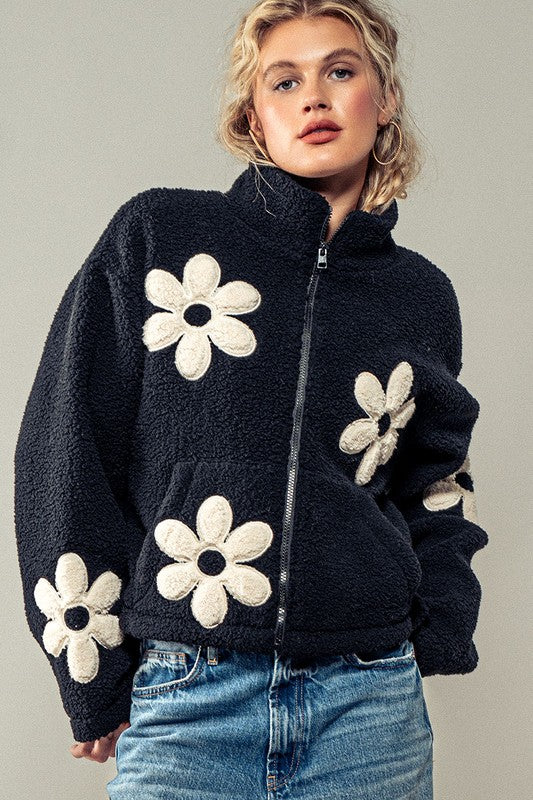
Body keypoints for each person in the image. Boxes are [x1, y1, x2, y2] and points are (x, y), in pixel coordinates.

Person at [14, 1, 489, 797]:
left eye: (340, 71)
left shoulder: (419, 296)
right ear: (252, 116)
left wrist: (440, 626)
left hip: (368, 704)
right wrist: (88, 665)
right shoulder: (159, 236)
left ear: (383, 99)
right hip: (188, 693)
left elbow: (436, 480)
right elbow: (64, 449)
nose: (314, 97)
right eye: (284, 81)